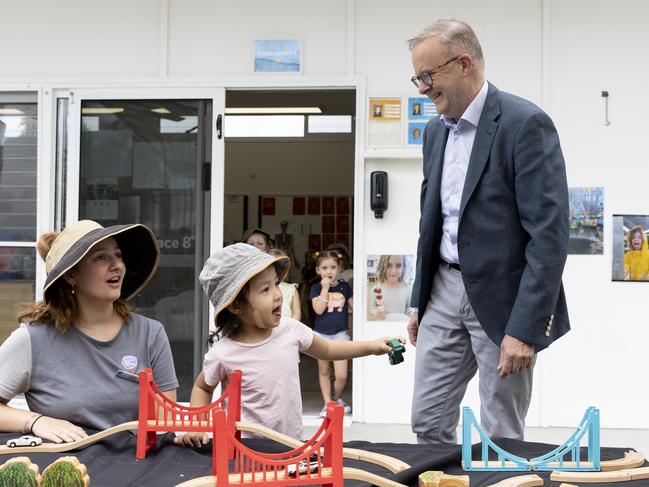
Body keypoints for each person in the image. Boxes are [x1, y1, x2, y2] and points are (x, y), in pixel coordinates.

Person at [407, 19, 570, 444]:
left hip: (503, 299)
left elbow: (549, 237)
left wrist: (525, 328)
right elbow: (431, 221)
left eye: (428, 75)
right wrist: (418, 299)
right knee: (427, 419)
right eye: (417, 77)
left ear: (463, 63)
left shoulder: (525, 123)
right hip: (443, 288)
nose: (422, 87)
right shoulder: (433, 133)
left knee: (501, 433)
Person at [174, 243, 401, 444]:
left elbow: (330, 348)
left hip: (291, 445)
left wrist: (373, 346)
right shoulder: (223, 352)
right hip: (244, 450)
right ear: (235, 306)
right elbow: (203, 387)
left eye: (275, 284)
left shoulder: (290, 330)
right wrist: (196, 426)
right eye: (265, 289)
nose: (278, 295)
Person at [0, 220, 178, 443]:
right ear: (70, 275)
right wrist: (36, 421)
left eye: (118, 255)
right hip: (65, 468)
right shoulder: (32, 339)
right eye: (101, 258)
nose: (117, 266)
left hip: (136, 469)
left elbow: (167, 421)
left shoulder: (151, 334)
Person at [309, 250, 353, 417]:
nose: (329, 271)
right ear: (318, 270)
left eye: (333, 267)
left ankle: (335, 399)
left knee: (341, 375)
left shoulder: (344, 287)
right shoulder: (315, 288)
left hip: (341, 335)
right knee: (325, 371)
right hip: (321, 335)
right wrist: (324, 289)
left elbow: (354, 306)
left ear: (339, 268)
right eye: (325, 268)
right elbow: (318, 310)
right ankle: (328, 403)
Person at [368, 255, 411, 321]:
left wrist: (412, 314)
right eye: (389, 265)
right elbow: (371, 307)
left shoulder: (407, 289)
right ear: (382, 267)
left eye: (398, 265)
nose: (393, 271)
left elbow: (408, 308)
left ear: (403, 267)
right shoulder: (376, 289)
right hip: (383, 325)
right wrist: (377, 313)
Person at [268, 248, 301, 320]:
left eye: (282, 268)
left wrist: (291, 328)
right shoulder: (263, 288)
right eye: (274, 267)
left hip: (288, 329)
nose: (278, 272)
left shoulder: (291, 289)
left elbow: (296, 313)